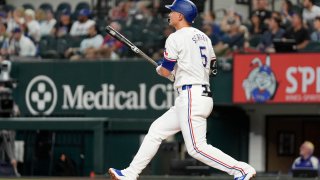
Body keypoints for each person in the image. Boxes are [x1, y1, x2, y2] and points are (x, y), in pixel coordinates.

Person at [108, 0, 256, 180]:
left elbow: (165, 70)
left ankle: (241, 170)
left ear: (180, 15)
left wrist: (163, 70)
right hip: (196, 93)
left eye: (172, 11)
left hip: (191, 96)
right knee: (156, 131)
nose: (169, 14)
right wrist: (179, 74)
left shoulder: (175, 37)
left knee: (196, 148)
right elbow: (213, 70)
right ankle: (131, 173)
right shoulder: (204, 37)